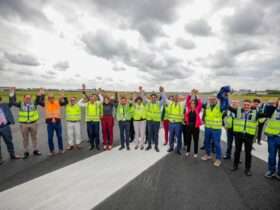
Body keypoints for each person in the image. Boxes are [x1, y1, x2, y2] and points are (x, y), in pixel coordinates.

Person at [229, 99, 265, 176]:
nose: (246, 106)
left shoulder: (256, 113)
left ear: (250, 105)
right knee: (237, 151)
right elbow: (228, 107)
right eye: (245, 104)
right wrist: (224, 98)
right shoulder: (238, 111)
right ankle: (235, 165)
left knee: (248, 153)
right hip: (239, 135)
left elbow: (267, 114)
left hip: (249, 136)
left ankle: (247, 169)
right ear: (243, 105)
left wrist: (270, 105)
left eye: (248, 105)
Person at [9, 87, 42, 159]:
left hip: (33, 123)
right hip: (24, 124)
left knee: (34, 137)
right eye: (27, 98)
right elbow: (12, 102)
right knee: (25, 138)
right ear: (24, 98)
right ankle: (26, 151)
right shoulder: (20, 104)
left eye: (29, 98)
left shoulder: (34, 104)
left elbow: (38, 99)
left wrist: (39, 93)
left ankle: (35, 150)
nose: (28, 99)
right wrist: (12, 92)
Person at [201, 86, 230, 167]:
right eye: (210, 99)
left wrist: (225, 96)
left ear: (216, 100)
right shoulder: (207, 106)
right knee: (207, 142)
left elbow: (226, 104)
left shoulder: (220, 107)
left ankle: (218, 159)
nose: (211, 100)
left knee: (217, 144)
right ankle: (207, 154)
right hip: (208, 128)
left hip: (216, 129)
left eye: (213, 99)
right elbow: (197, 103)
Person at [37, 89, 68, 156]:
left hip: (57, 123)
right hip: (50, 123)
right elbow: (38, 102)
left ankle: (61, 149)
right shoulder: (46, 103)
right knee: (50, 138)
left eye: (52, 97)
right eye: (49, 98)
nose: (51, 99)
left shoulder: (57, 102)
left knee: (59, 136)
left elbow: (65, 102)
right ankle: (52, 151)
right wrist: (40, 95)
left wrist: (63, 96)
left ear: (54, 98)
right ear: (48, 98)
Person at [0, 95, 21, 164]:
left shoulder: (4, 105)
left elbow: (11, 102)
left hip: (5, 126)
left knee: (9, 141)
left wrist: (12, 93)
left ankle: (12, 155)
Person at [263, 98, 280, 180]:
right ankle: (271, 170)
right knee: (272, 155)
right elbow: (266, 112)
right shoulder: (272, 109)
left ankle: (279, 172)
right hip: (272, 137)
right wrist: (270, 104)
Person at [184, 89, 202, 158]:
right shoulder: (188, 109)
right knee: (189, 140)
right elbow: (187, 100)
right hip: (189, 127)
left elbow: (200, 103)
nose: (192, 104)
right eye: (191, 103)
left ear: (195, 104)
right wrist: (190, 94)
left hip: (195, 127)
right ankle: (188, 151)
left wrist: (196, 95)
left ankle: (195, 152)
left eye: (194, 103)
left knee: (195, 140)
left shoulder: (197, 109)